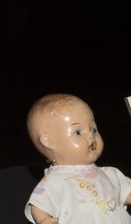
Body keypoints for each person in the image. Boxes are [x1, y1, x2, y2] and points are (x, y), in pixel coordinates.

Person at [25, 94, 131, 223]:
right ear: (48, 142)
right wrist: (44, 220)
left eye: (93, 130)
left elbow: (127, 193)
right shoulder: (54, 181)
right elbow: (38, 206)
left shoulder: (110, 174)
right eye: (78, 132)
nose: (91, 136)